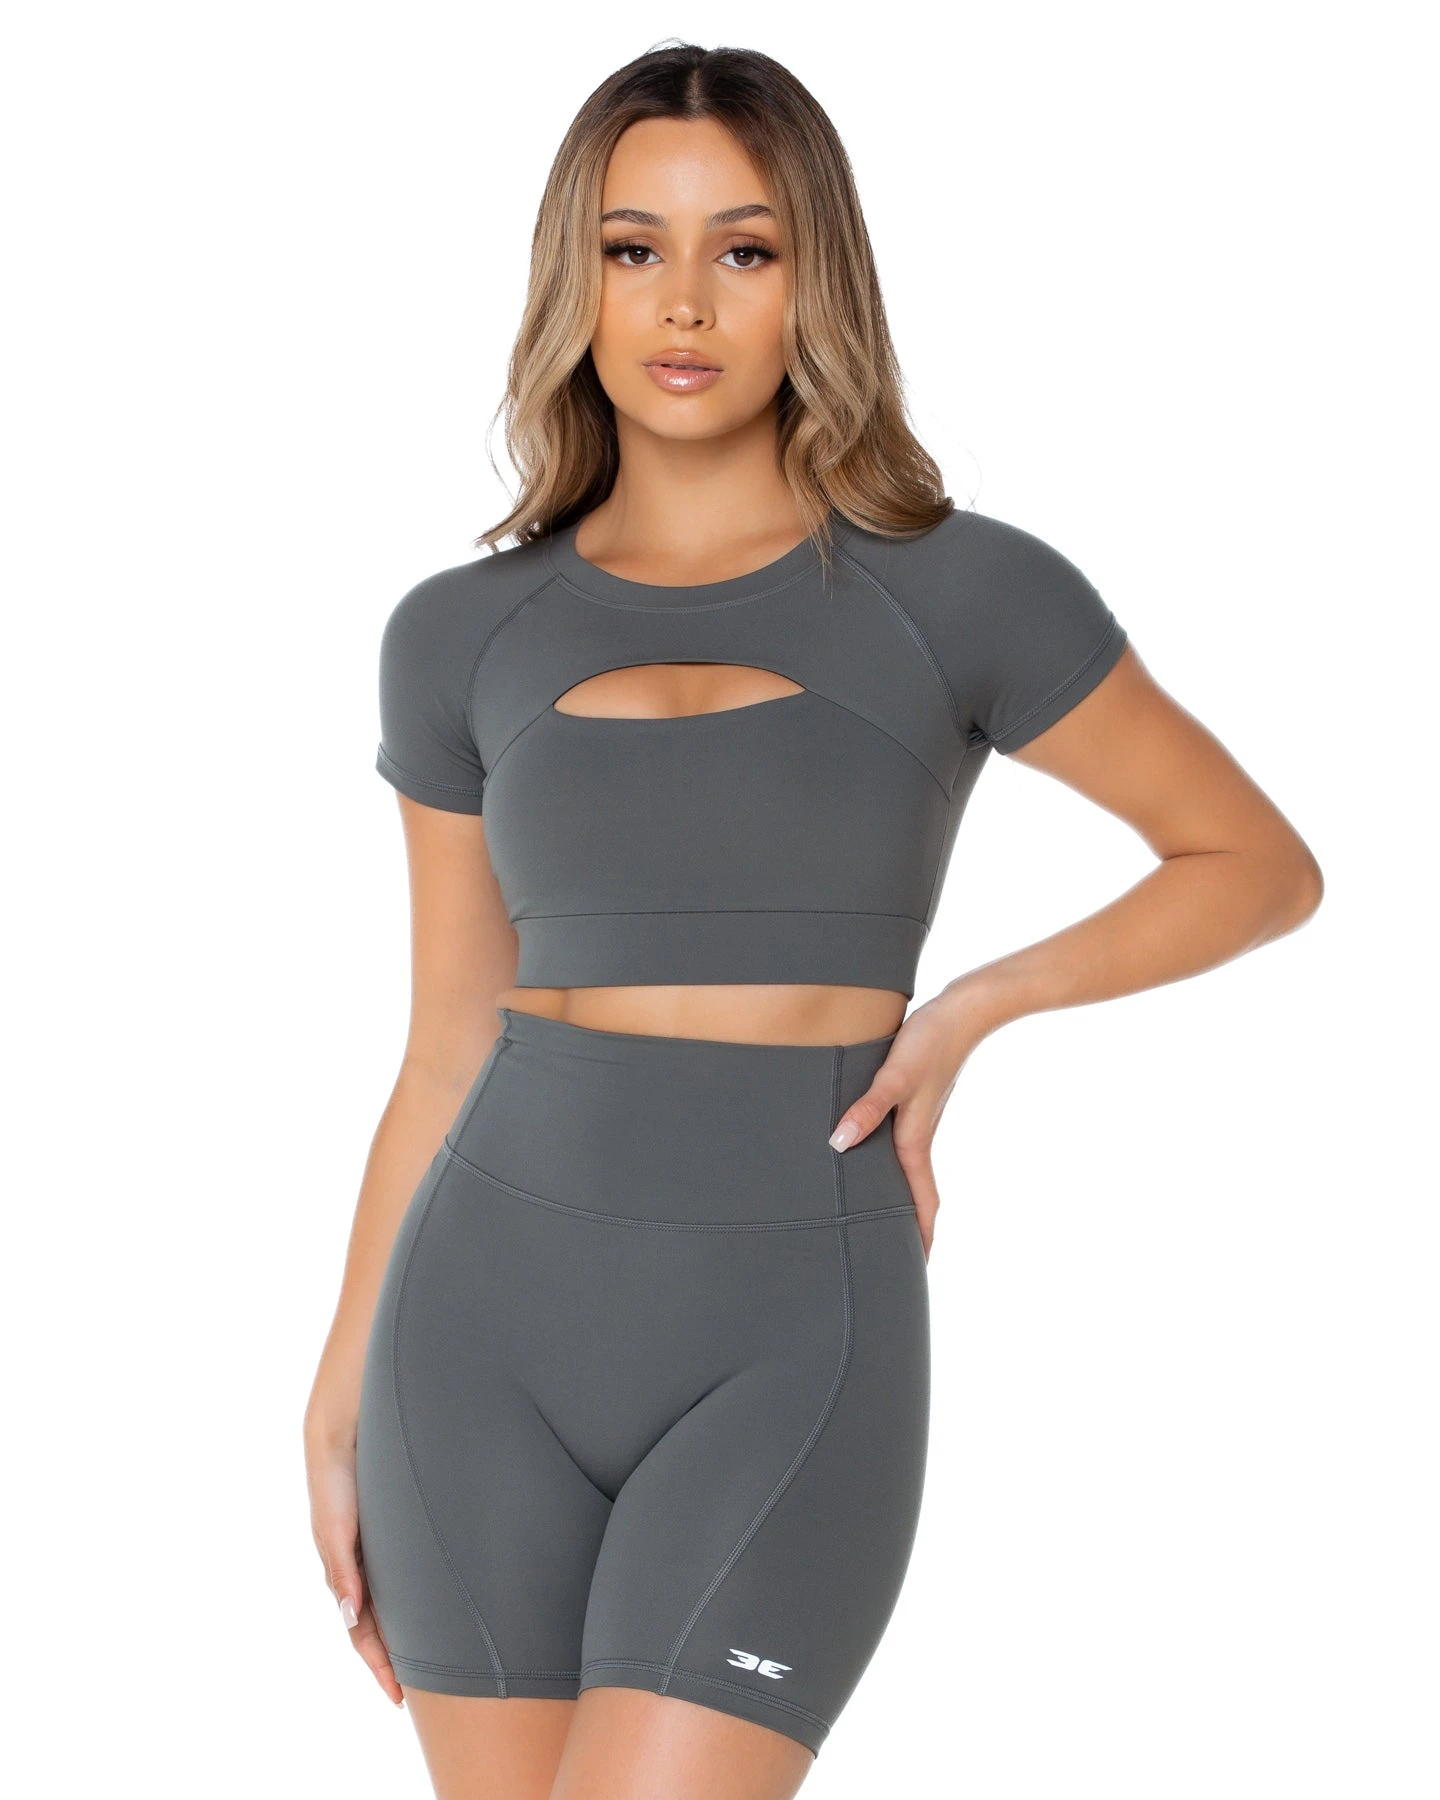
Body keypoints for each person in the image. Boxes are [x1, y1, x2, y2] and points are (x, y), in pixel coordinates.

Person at [303, 41, 1323, 1800]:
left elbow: (1253, 862)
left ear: (815, 280)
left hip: (790, 1333)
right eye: (634, 248)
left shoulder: (964, 591)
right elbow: (446, 1044)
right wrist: (335, 1398)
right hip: (475, 1337)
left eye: (745, 250)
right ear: (574, 281)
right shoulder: (459, 635)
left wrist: (969, 1011)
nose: (684, 302)